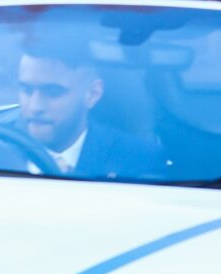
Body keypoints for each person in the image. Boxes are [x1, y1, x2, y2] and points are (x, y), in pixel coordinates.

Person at [16, 34, 163, 179]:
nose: (34, 107)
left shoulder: (138, 160)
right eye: (27, 90)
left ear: (92, 94)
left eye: (53, 92)